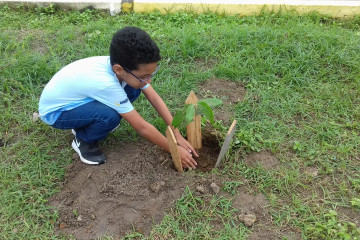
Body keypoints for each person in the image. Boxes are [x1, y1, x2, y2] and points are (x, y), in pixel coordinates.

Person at [38, 26, 198, 169]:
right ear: (119, 69)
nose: (148, 80)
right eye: (144, 76)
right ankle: (83, 139)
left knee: (135, 88)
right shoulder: (106, 84)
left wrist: (175, 132)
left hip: (79, 100)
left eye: (151, 74)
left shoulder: (124, 69)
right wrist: (174, 149)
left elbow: (154, 98)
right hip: (57, 113)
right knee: (110, 116)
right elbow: (141, 126)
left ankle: (85, 122)